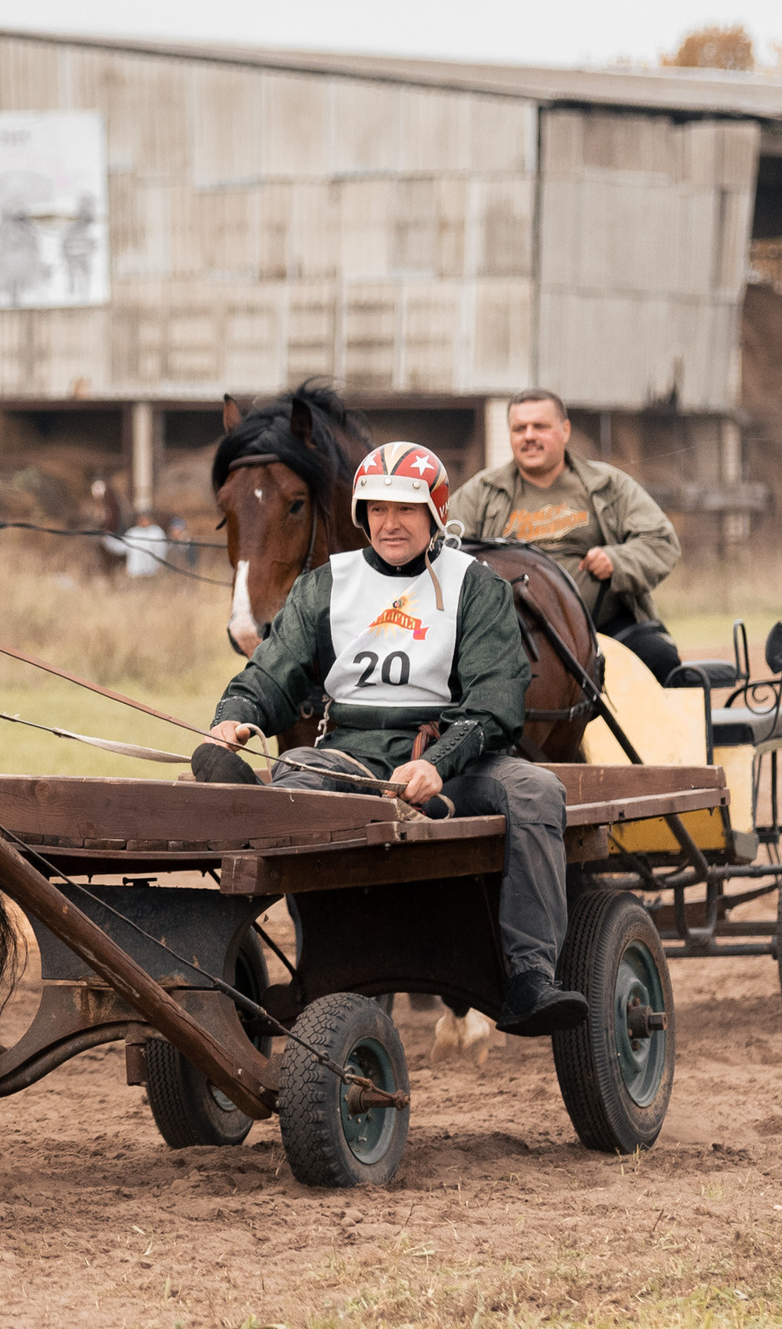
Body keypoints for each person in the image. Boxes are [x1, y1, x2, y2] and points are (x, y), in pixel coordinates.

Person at [196, 441, 588, 1037]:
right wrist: (239, 714)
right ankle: (316, 943)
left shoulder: (475, 586)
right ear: (361, 516)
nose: (389, 523)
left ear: (434, 512)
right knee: (295, 774)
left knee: (536, 791)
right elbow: (274, 669)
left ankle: (531, 977)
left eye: (405, 509)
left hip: (454, 756)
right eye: (376, 510)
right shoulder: (327, 584)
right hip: (350, 751)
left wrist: (439, 761)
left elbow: (497, 701)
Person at [445, 390, 685, 682]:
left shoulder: (607, 485)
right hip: (511, 638)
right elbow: (444, 553)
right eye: (519, 429)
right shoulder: (481, 493)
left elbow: (661, 541)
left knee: (661, 659)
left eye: (540, 426)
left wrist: (617, 560)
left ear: (565, 430)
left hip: (604, 631)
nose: (529, 436)